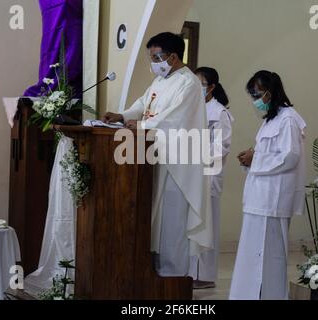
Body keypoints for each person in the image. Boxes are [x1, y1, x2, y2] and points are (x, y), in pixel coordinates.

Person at [103, 32, 213, 277]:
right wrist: (123, 116)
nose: (153, 63)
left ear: (172, 57)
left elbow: (176, 118)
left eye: (156, 57)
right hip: (156, 157)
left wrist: (142, 126)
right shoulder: (161, 81)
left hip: (178, 164)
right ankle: (155, 276)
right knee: (157, 221)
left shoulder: (189, 83)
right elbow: (144, 104)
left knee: (172, 223)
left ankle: (173, 280)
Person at [229, 70, 306, 300]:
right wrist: (251, 156)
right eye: (251, 93)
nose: (254, 99)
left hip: (273, 200)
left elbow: (290, 156)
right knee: (251, 255)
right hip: (258, 198)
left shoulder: (289, 119)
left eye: (256, 93)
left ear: (270, 93)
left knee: (270, 256)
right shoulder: (271, 119)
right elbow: (270, 153)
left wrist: (257, 159)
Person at [189, 67, 233, 289]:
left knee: (206, 227)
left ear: (212, 87)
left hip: (208, 176)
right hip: (191, 174)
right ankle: (189, 273)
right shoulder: (193, 108)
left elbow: (221, 147)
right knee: (192, 226)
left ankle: (204, 276)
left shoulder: (219, 112)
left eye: (201, 83)